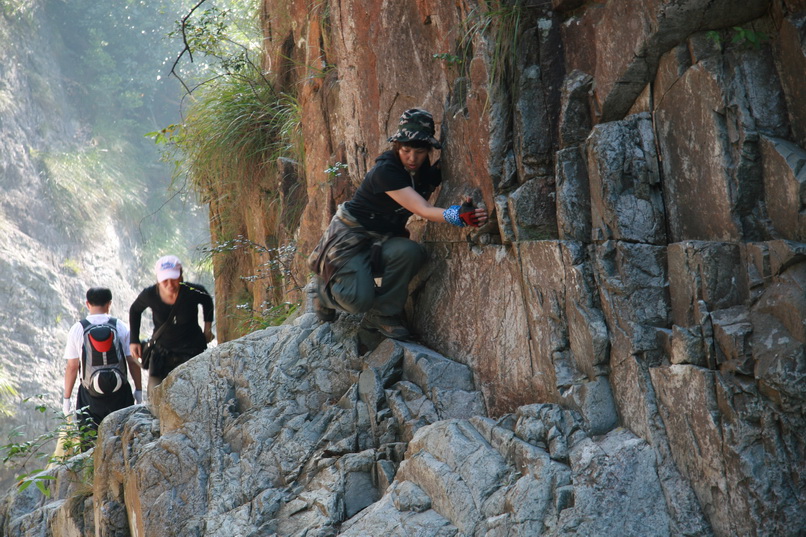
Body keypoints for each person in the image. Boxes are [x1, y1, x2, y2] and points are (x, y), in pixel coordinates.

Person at [308, 108, 487, 339]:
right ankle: (322, 292)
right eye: (406, 150)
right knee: (357, 301)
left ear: (428, 151)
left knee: (411, 252)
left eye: (420, 152)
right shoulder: (386, 172)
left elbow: (436, 176)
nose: (412, 158)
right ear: (397, 148)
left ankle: (382, 314)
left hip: (381, 240)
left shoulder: (419, 173)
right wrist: (457, 216)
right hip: (350, 238)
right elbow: (422, 209)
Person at [63, 287, 142, 442]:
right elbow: (132, 361)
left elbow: (72, 367)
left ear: (87, 304)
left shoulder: (78, 329)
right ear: (109, 304)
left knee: (90, 443)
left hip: (89, 397)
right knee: (123, 440)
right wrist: (138, 390)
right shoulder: (120, 326)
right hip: (120, 394)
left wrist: (66, 399)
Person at [129, 255, 214, 392]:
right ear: (158, 279)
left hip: (192, 350)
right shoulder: (150, 294)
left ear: (180, 276)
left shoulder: (191, 292)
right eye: (165, 280)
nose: (170, 285)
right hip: (162, 352)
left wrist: (207, 328)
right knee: (155, 395)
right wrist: (134, 340)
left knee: (197, 392)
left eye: (173, 279)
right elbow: (135, 310)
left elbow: (206, 300)